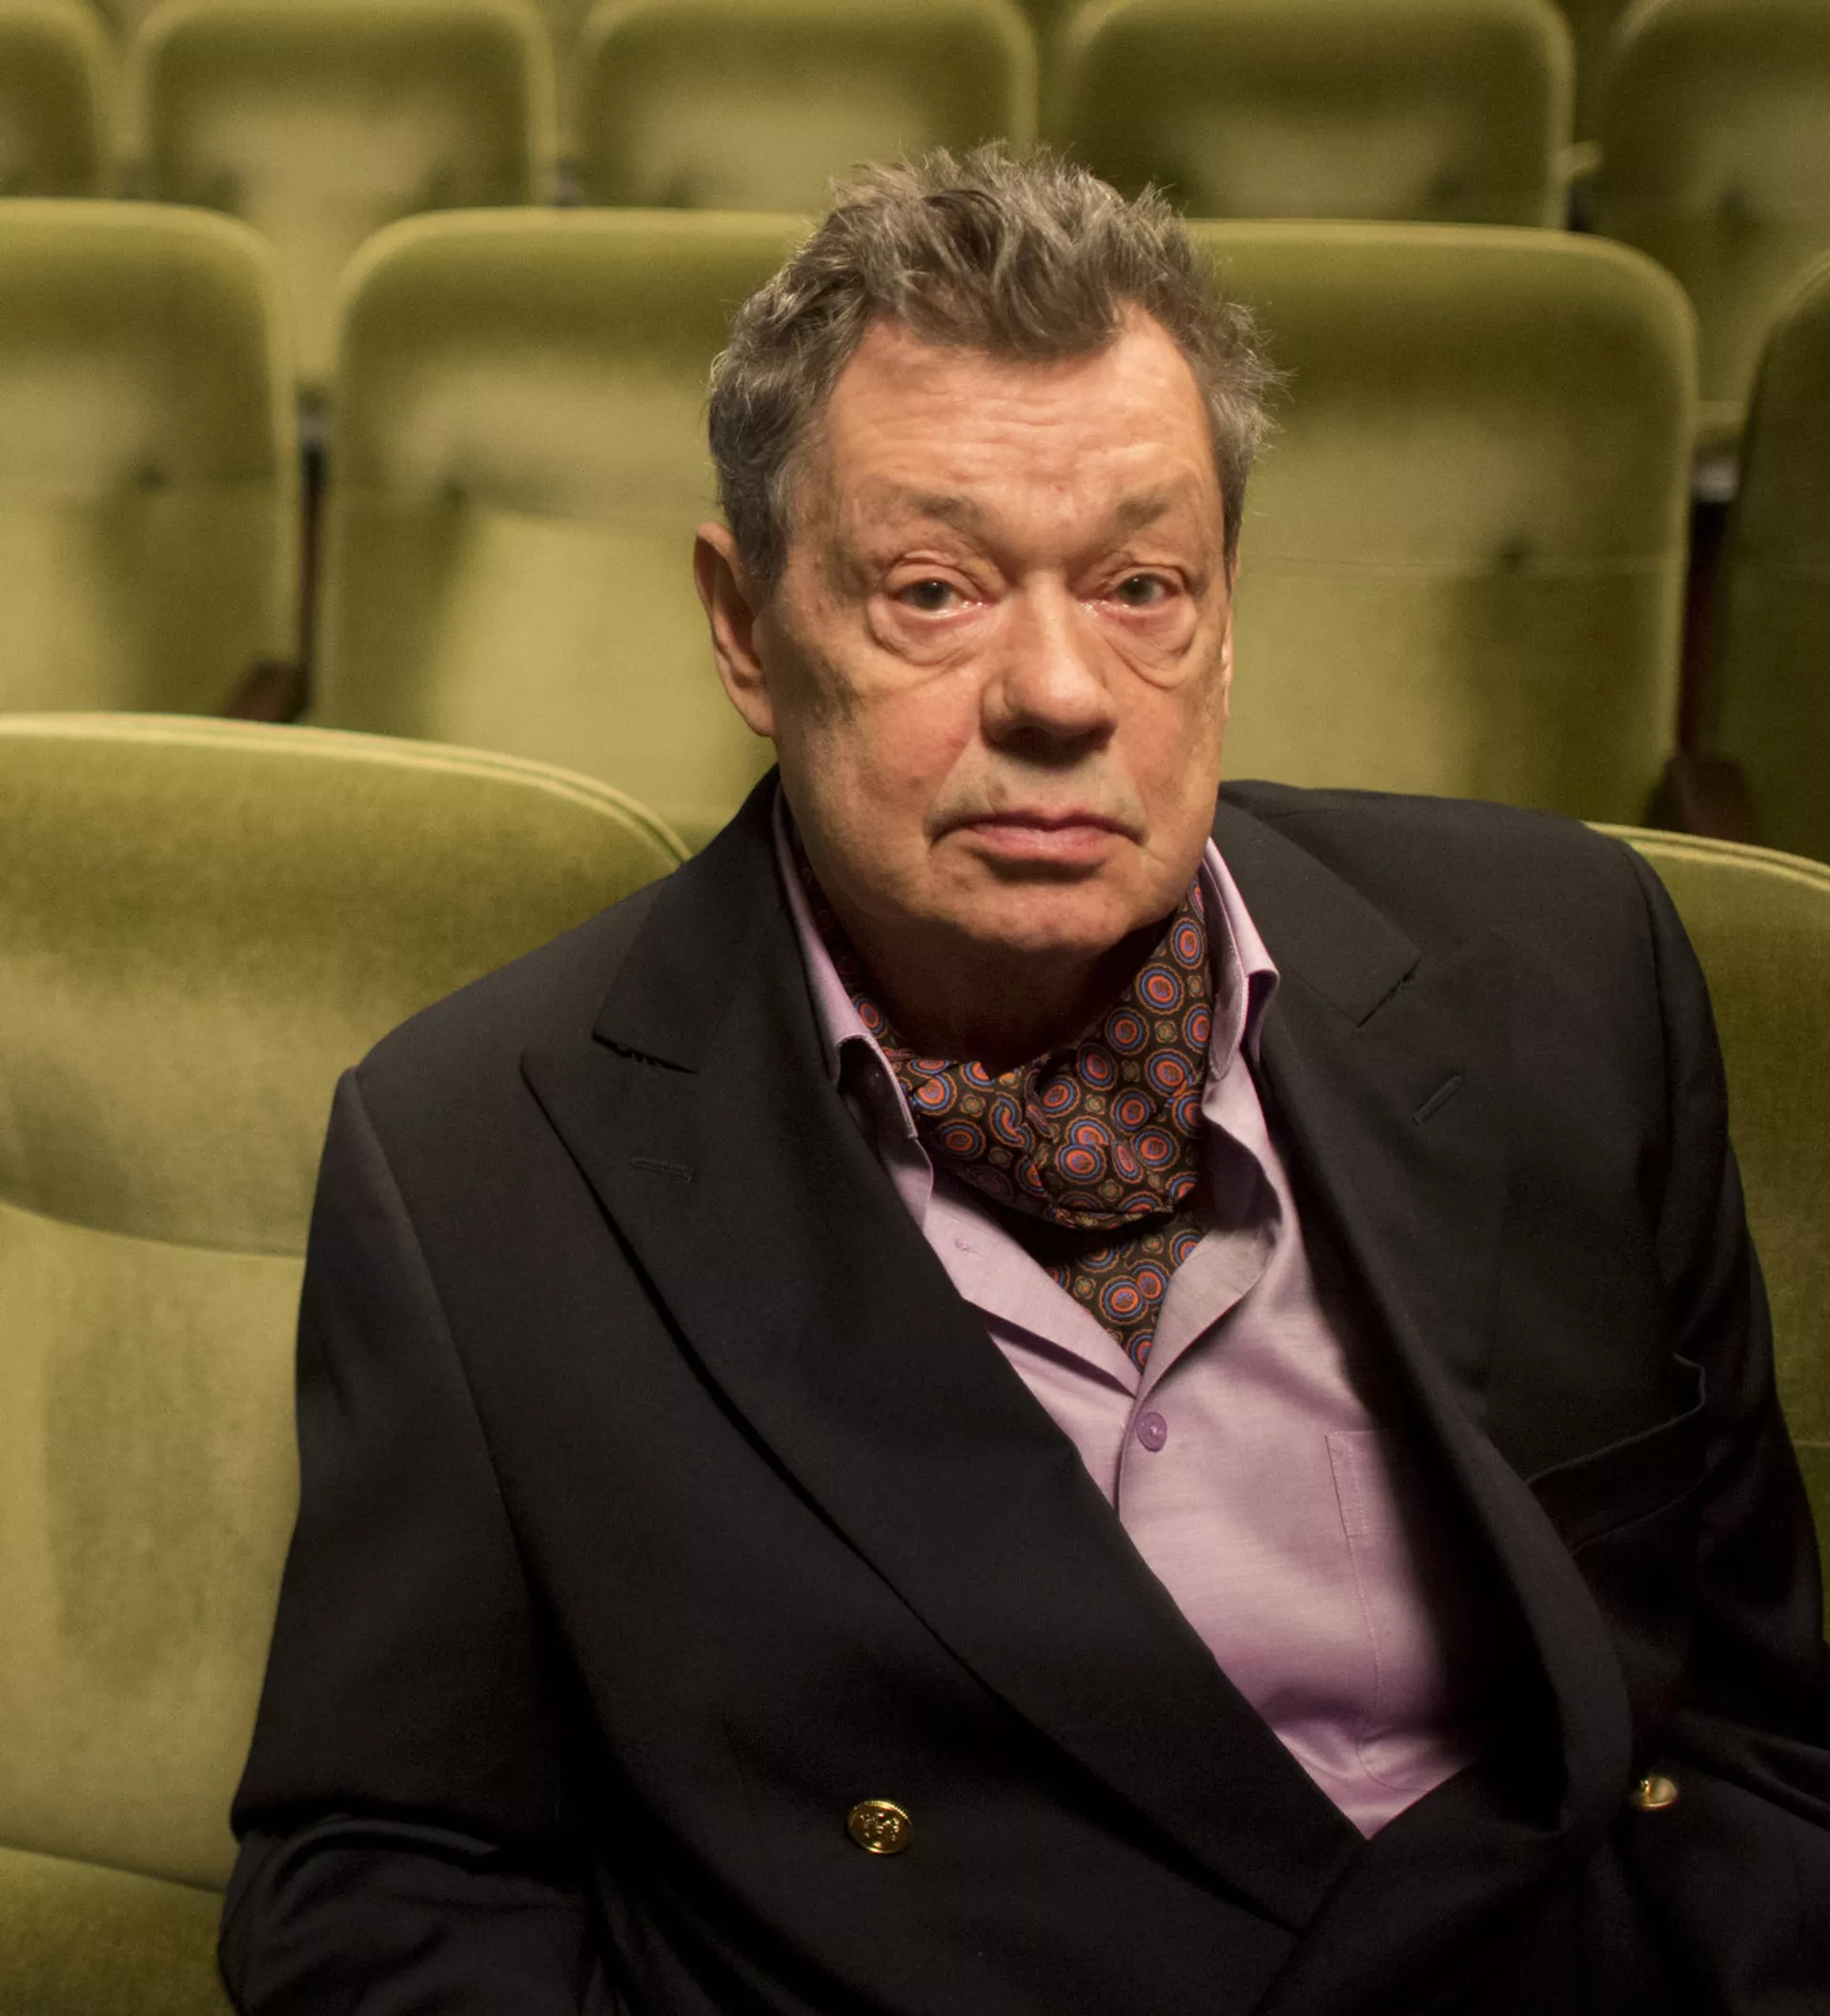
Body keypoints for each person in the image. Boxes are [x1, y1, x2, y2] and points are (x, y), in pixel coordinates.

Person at [221, 149, 1830, 2015]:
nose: (1060, 691)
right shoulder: (477, 1164)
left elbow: (1756, 1743)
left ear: (1228, 613)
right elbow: (382, 1894)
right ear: (745, 627)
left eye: (1143, 584)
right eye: (935, 589)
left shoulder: (1567, 971)